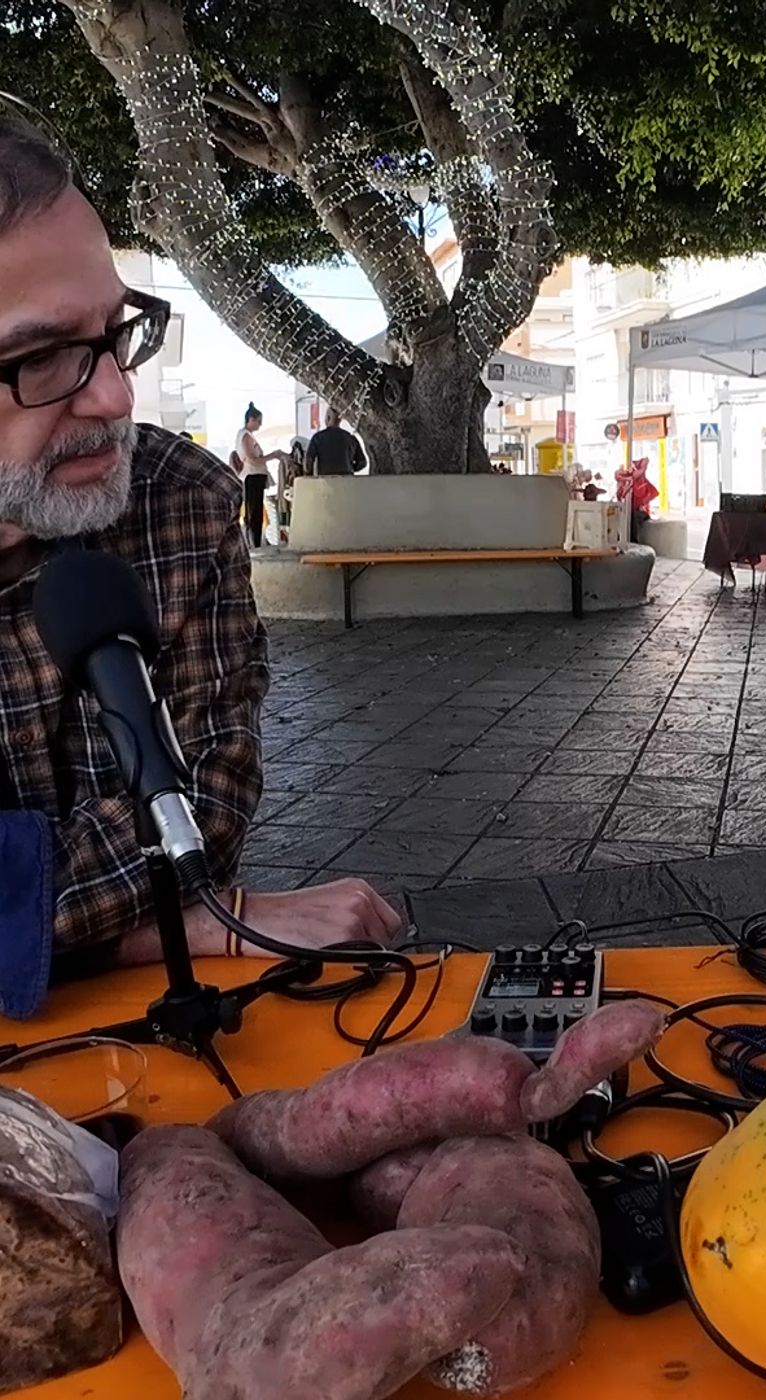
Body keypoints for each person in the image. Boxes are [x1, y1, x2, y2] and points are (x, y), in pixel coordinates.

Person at [0, 114, 399, 1016]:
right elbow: (191, 892)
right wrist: (187, 930)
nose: (113, 394)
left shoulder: (177, 500)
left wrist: (30, 917)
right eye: (42, 355)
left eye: (114, 333)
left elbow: (200, 824)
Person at [233, 402, 284, 547]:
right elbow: (252, 459)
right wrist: (273, 455)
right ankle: (253, 543)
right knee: (254, 514)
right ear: (251, 419)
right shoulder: (246, 436)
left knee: (255, 513)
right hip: (252, 476)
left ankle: (254, 541)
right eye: (258, 422)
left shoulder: (247, 435)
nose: (260, 425)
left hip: (256, 477)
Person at [305, 408, 367, 477]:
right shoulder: (351, 438)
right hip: (347, 480)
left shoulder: (317, 438)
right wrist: (350, 468)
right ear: (340, 420)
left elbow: (308, 465)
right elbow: (362, 463)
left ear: (328, 418)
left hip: (325, 481)